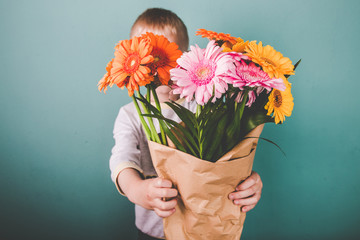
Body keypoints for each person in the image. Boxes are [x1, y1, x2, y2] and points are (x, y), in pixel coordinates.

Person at [109, 8, 264, 240]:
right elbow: (122, 160)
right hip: (152, 231)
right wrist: (136, 189)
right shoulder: (130, 115)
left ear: (184, 60)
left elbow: (227, 162)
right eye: (144, 57)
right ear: (132, 61)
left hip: (200, 228)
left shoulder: (202, 106)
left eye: (163, 57)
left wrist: (249, 183)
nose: (153, 64)